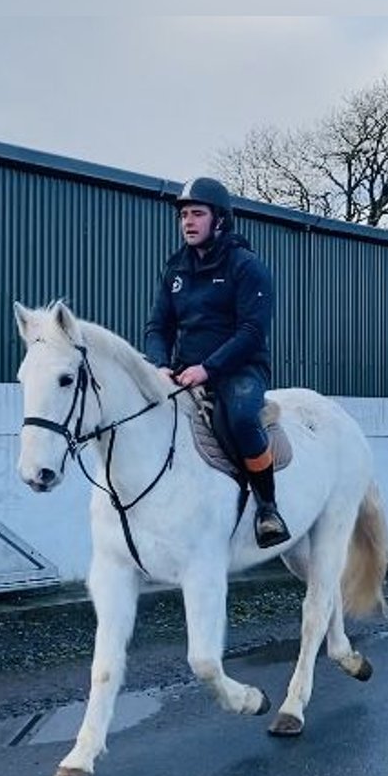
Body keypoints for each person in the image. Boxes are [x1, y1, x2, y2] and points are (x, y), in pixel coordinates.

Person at [144, 176, 290, 549]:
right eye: (183, 216)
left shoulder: (247, 267)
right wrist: (160, 364)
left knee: (241, 417)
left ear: (219, 220)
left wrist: (207, 369)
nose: (187, 222)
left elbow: (252, 331)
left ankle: (267, 508)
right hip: (183, 372)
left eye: (197, 214)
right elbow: (157, 326)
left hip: (239, 369)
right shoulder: (175, 269)